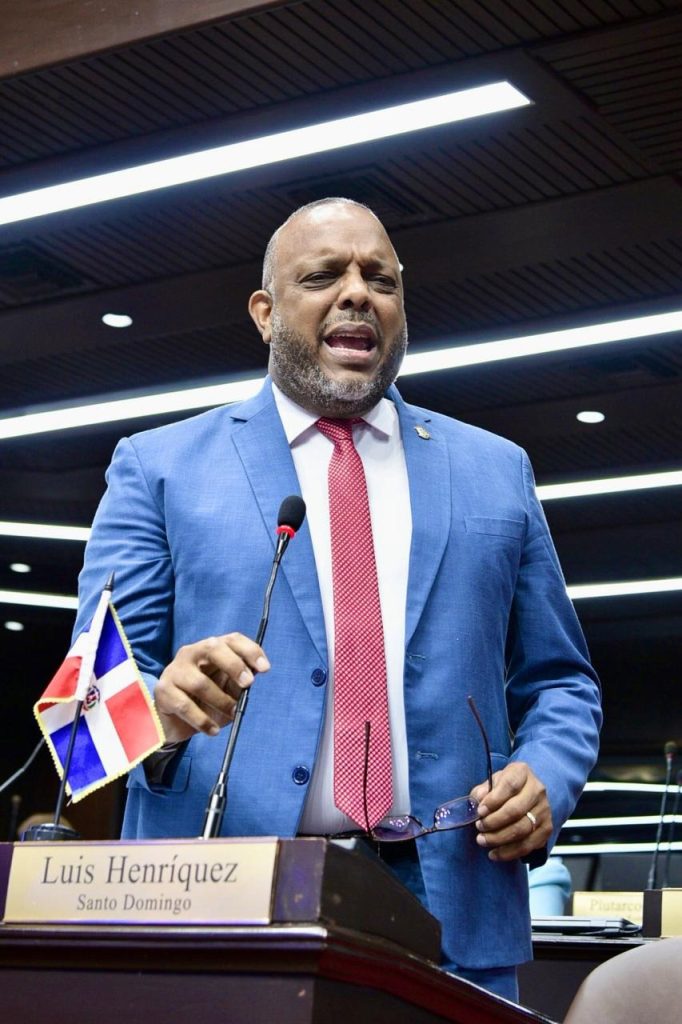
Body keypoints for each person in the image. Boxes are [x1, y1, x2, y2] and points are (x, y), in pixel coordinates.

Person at [73, 197, 601, 1001]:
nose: (358, 293)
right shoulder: (158, 467)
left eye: (381, 280)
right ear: (265, 312)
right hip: (220, 899)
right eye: (323, 276)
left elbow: (562, 680)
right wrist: (161, 704)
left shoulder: (497, 470)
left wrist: (546, 777)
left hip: (456, 904)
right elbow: (81, 713)